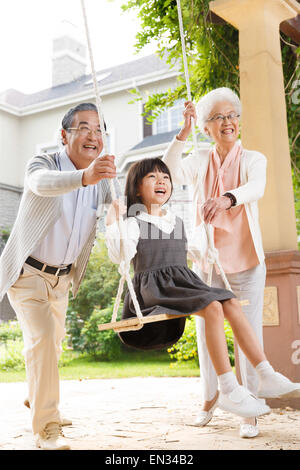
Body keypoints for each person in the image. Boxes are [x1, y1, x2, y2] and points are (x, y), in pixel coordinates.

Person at [105, 157, 300, 426]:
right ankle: (228, 386)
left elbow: (197, 250)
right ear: (137, 189)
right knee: (212, 306)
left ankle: (264, 373)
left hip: (182, 283)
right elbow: (121, 256)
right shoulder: (133, 222)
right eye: (152, 177)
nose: (161, 181)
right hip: (153, 289)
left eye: (166, 177)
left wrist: (208, 236)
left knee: (228, 300)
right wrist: (112, 223)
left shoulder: (177, 221)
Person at [0, 102, 119, 450]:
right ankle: (47, 427)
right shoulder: (44, 163)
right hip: (28, 274)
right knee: (43, 340)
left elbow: (116, 214)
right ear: (64, 135)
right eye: (84, 127)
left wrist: (121, 232)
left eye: (99, 130)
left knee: (52, 342)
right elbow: (40, 184)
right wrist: (85, 176)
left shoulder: (103, 180)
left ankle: (37, 397)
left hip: (61, 280)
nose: (93, 136)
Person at [163, 87, 269, 437]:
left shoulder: (254, 159)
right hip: (208, 265)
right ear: (206, 127)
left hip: (247, 262)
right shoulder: (198, 161)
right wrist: (182, 132)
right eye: (218, 117)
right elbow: (166, 171)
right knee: (208, 335)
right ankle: (209, 397)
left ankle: (249, 408)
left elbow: (256, 188)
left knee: (247, 334)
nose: (228, 122)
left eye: (232, 115)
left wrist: (226, 199)